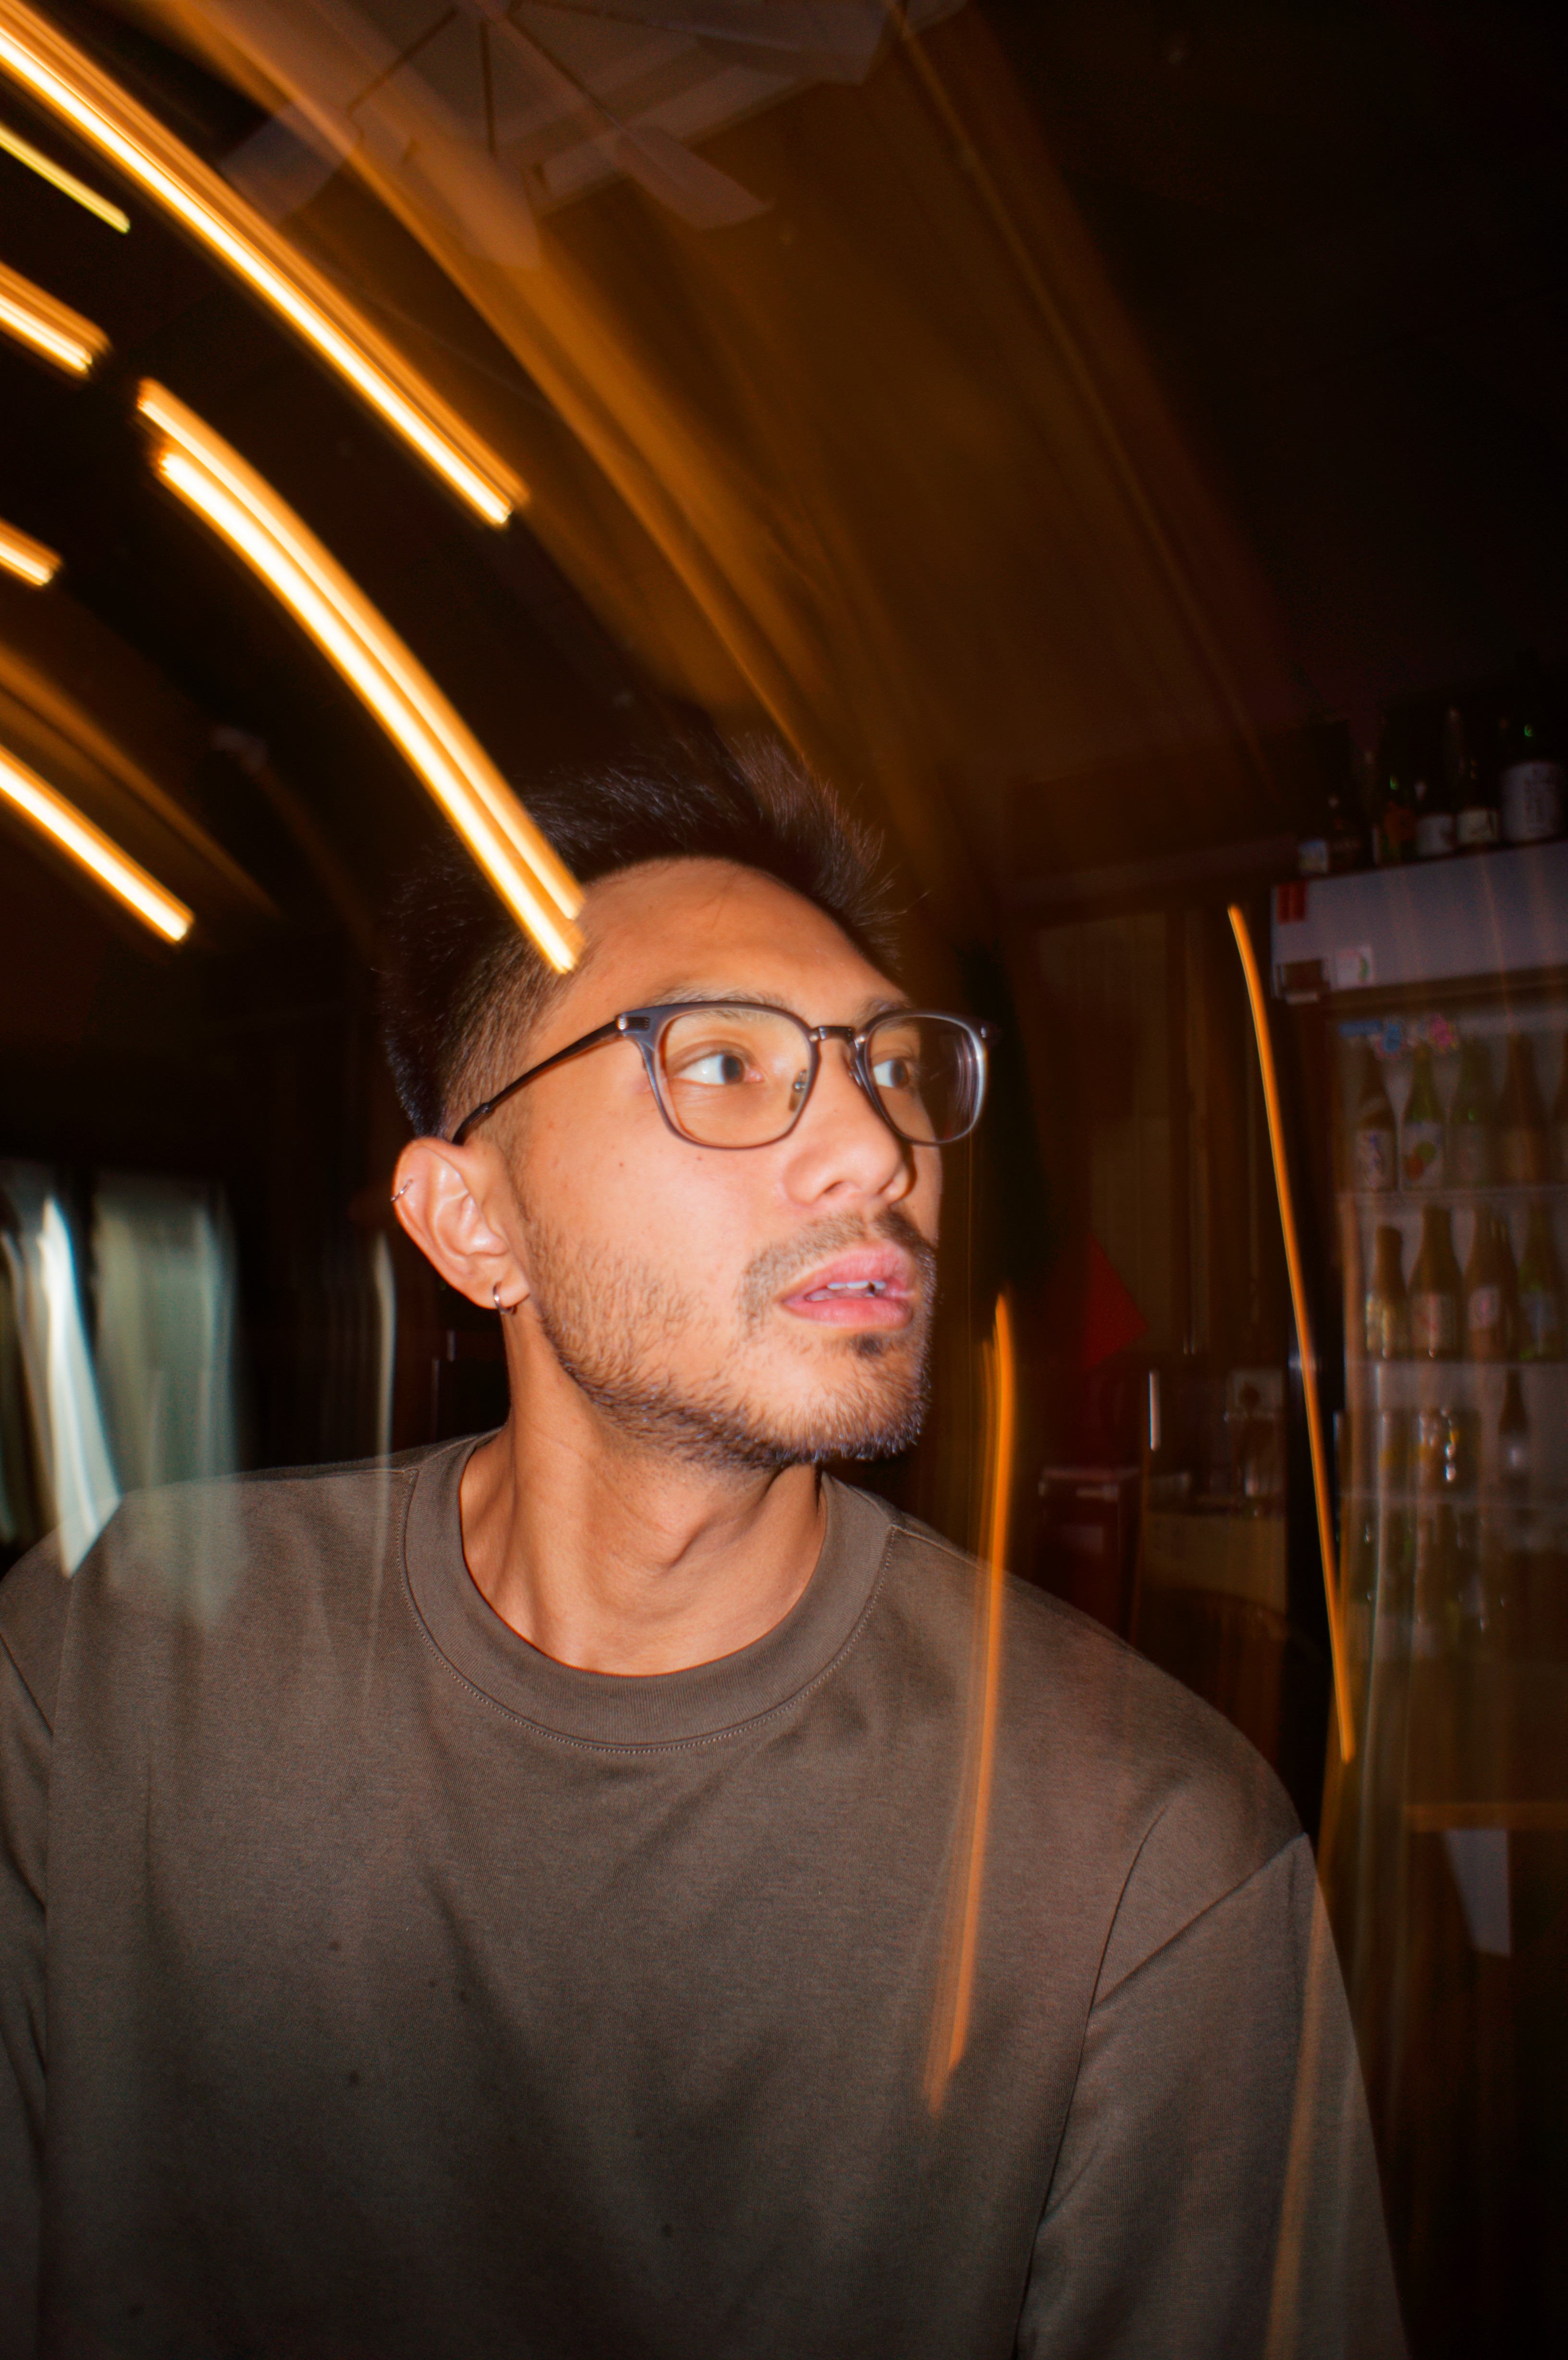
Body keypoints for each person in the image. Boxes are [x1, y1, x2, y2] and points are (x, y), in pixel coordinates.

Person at [0, 744, 1402, 2357]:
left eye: (892, 1065)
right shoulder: (112, 1667)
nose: (879, 1148)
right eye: (724, 1062)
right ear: (473, 1224)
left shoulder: (1143, 1857)